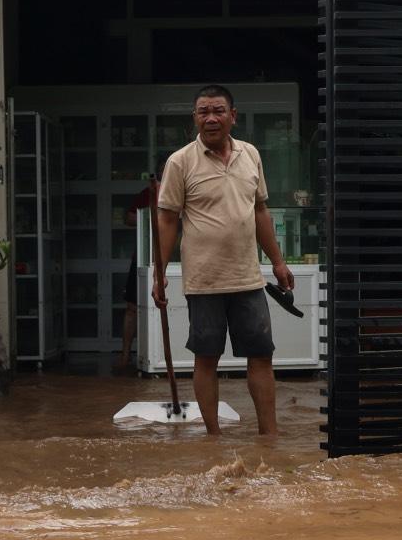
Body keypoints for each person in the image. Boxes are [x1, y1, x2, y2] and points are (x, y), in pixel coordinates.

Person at [152, 85, 294, 439]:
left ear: (233, 116)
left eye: (218, 111)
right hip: (204, 281)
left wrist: (278, 262)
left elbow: (260, 211)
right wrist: (159, 272)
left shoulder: (250, 154)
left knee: (261, 355)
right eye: (203, 112)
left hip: (248, 278)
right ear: (195, 118)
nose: (211, 118)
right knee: (206, 357)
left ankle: (269, 436)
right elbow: (167, 220)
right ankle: (213, 437)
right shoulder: (180, 161)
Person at [114, 173, 160, 373]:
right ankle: (125, 354)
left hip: (176, 258)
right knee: (132, 307)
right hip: (144, 257)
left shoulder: (183, 191)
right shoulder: (148, 193)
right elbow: (129, 217)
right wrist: (151, 213)